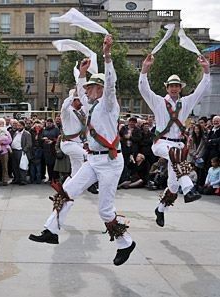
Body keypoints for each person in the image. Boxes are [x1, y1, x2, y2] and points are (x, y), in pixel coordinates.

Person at [29, 35, 136, 266]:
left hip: (109, 162)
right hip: (93, 160)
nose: (85, 92)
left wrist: (107, 55)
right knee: (67, 190)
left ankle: (126, 242)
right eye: (85, 89)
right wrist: (81, 74)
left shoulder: (109, 104)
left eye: (89, 88)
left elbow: (111, 83)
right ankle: (51, 230)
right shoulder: (92, 105)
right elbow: (80, 90)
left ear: (100, 89)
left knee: (105, 211)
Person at [138, 53, 210, 227]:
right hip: (161, 143)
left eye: (177, 86)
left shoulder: (186, 102)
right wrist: (145, 69)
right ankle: (189, 190)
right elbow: (143, 89)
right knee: (175, 154)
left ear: (180, 88)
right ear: (167, 88)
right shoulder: (158, 102)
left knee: (172, 186)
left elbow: (202, 90)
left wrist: (206, 70)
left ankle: (161, 209)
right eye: (171, 86)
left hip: (178, 144)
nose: (174, 88)